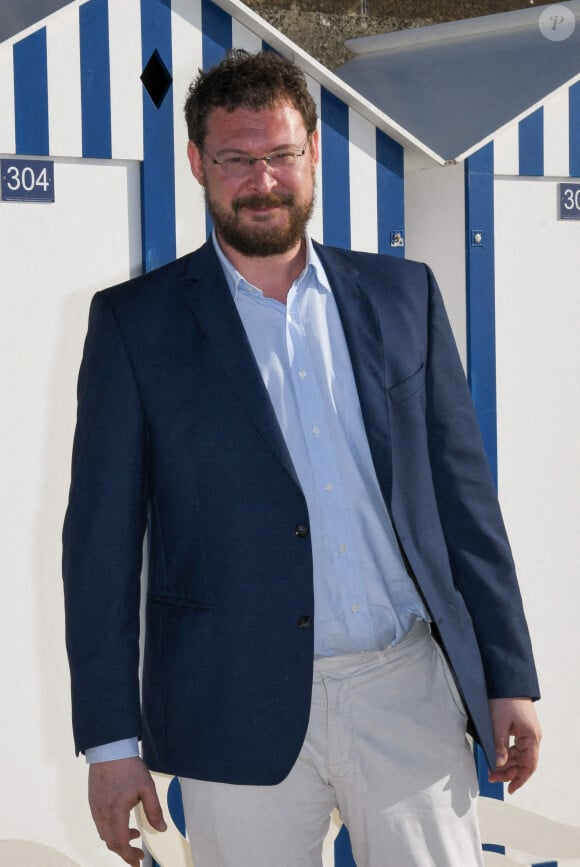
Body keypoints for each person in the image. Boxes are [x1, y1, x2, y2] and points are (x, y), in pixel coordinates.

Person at [63, 49, 541, 867]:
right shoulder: (135, 326)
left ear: (313, 152)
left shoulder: (405, 297)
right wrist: (111, 742)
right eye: (236, 159)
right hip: (229, 704)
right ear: (197, 165)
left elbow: (466, 505)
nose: (263, 180)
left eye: (281, 154)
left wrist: (510, 674)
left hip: (407, 694)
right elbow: (100, 550)